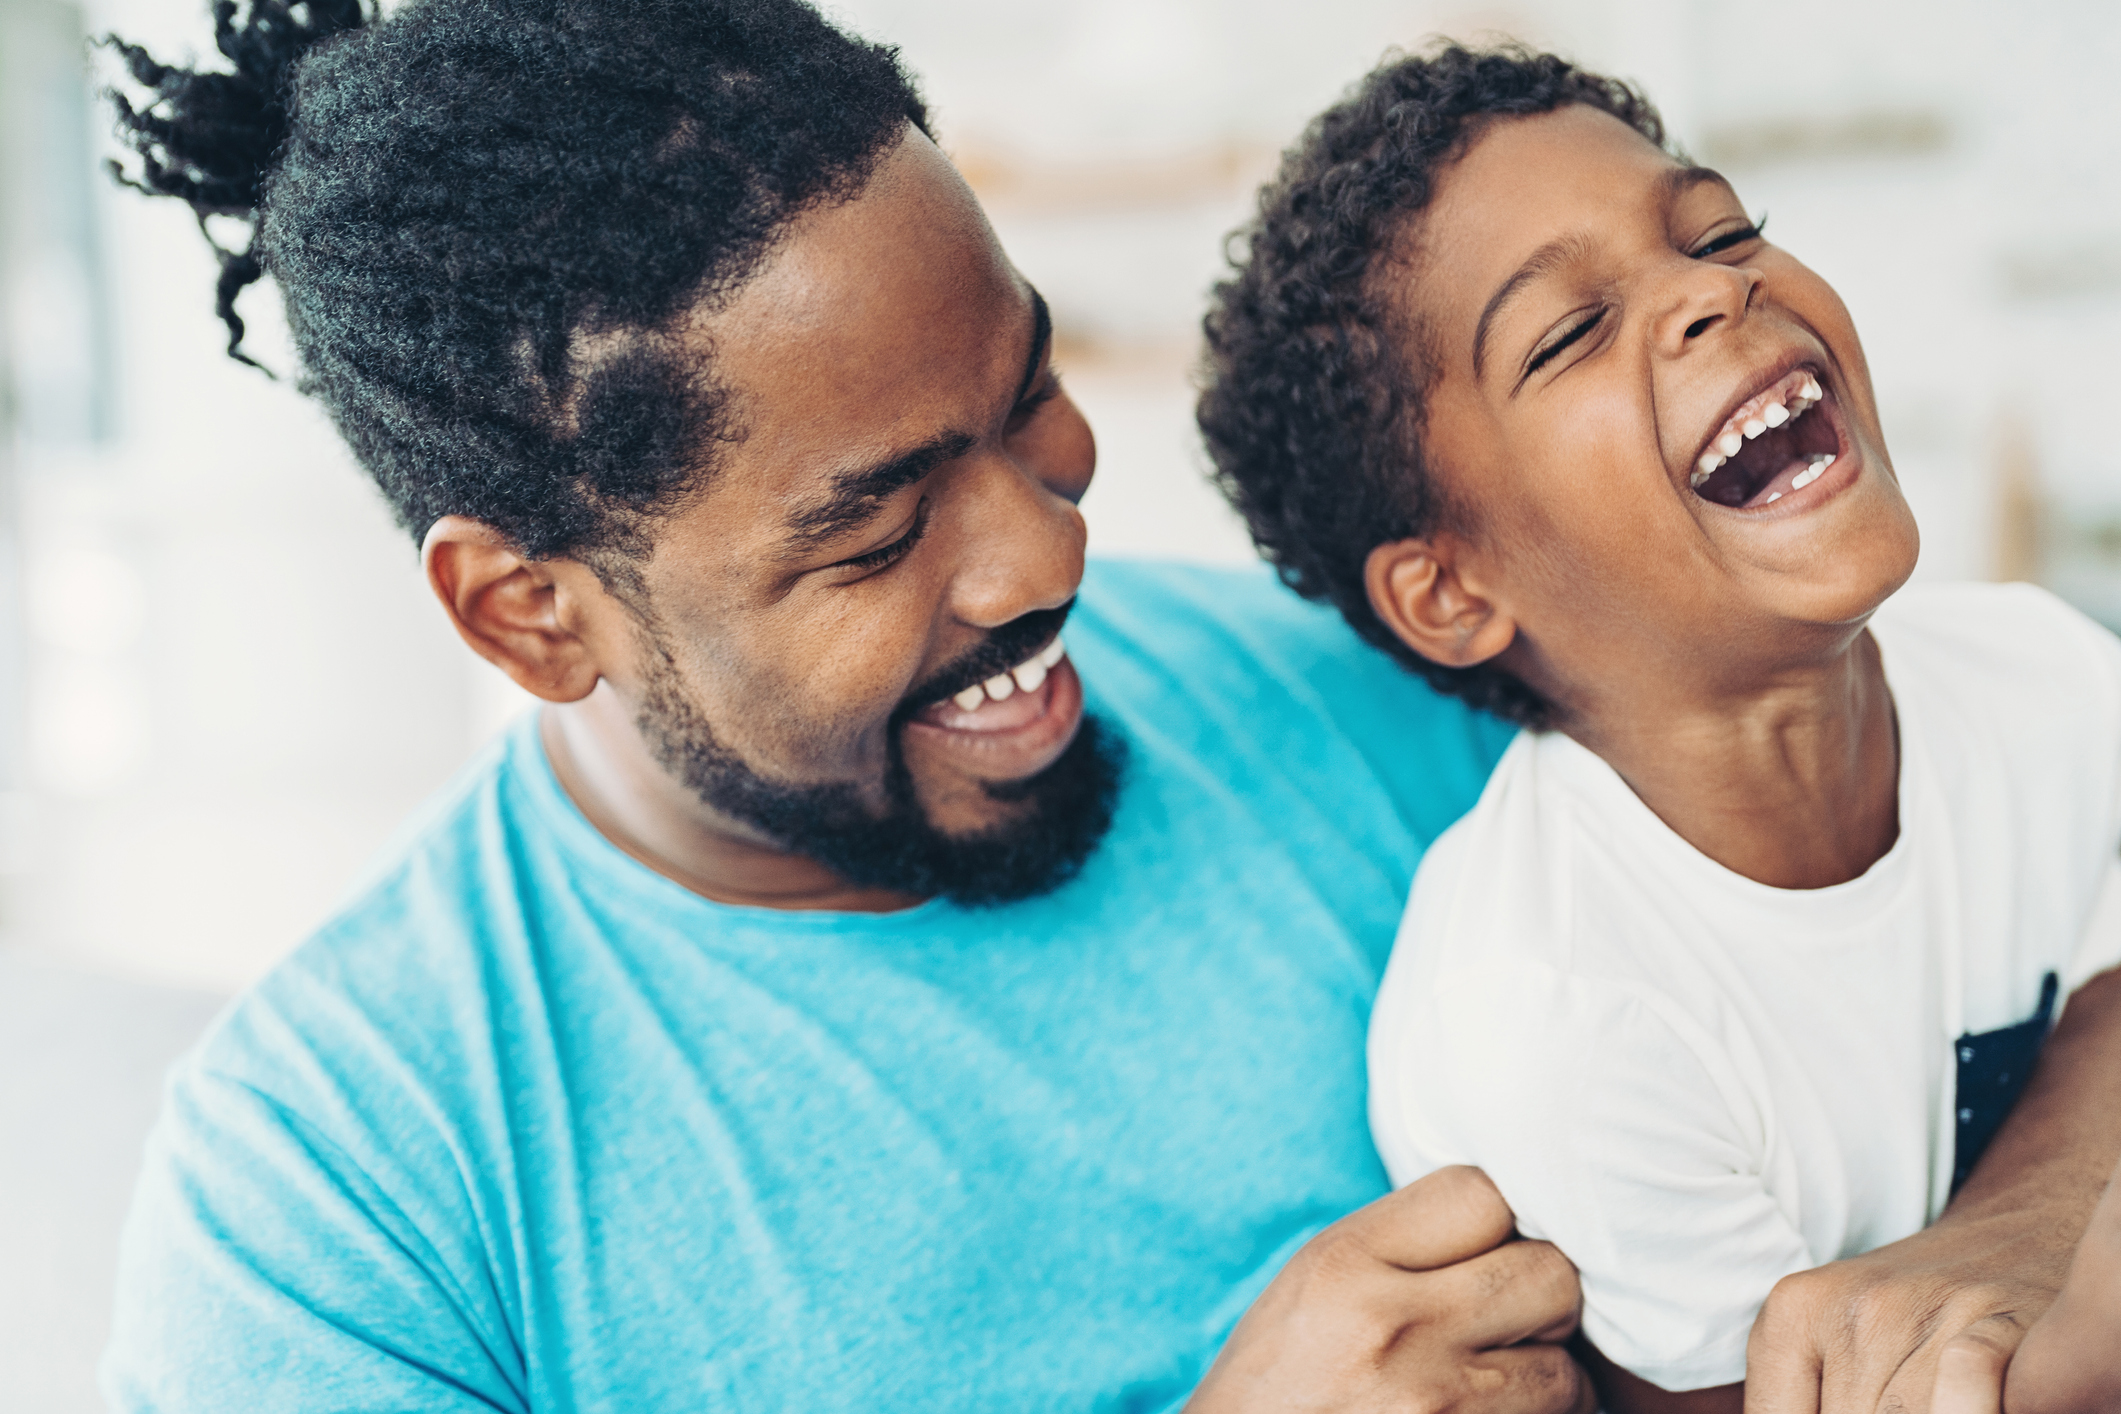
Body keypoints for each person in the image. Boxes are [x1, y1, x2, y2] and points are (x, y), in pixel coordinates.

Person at [99, 5, 2120, 1411]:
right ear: (532, 614)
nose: (1037, 556)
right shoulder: (343, 1185)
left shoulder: (1348, 697)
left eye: (1024, 396)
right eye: (873, 525)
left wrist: (2020, 1218)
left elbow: (1972, 908)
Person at [1198, 42, 2121, 1414]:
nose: (1709, 289)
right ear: (1452, 590)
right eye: (1566, 332)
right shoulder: (1547, 1017)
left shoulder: (2039, 669)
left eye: (1719, 230)